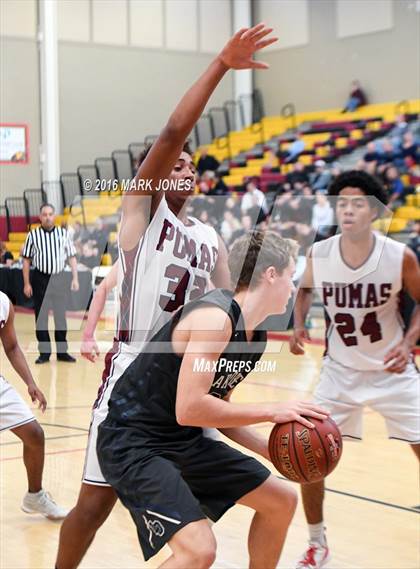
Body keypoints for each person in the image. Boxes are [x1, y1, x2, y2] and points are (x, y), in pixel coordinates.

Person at [56, 23, 277, 569]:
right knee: (94, 501)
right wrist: (222, 66)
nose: (182, 166)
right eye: (173, 162)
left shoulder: (209, 238)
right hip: (133, 373)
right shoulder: (140, 214)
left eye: (190, 167)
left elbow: (229, 308)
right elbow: (175, 131)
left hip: (183, 374)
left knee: (234, 501)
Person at [97, 231, 329, 568]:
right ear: (270, 274)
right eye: (290, 278)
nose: (293, 289)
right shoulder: (215, 318)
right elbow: (190, 408)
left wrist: (274, 452)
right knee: (199, 551)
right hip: (134, 442)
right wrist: (273, 410)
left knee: (281, 500)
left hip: (180, 440)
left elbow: (217, 412)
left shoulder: (254, 337)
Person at [289, 170, 420, 569]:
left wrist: (409, 341)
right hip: (339, 372)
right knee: (307, 454)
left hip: (392, 371)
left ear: (376, 210)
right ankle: (317, 543)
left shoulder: (401, 257)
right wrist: (297, 324)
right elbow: (305, 289)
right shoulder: (320, 253)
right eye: (342, 201)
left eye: (358, 202)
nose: (347, 208)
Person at [0, 290, 67, 519]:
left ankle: (35, 496)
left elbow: (11, 347)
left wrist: (31, 383)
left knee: (34, 434)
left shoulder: (3, 303)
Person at [22, 204, 79, 364]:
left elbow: (72, 257)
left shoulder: (63, 234)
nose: (47, 217)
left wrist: (75, 278)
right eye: (44, 214)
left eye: (50, 214)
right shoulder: (32, 235)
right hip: (40, 278)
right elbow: (26, 260)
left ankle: (62, 352)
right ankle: (44, 353)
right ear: (40, 217)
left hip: (59, 278)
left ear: (54, 216)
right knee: (41, 317)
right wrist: (27, 283)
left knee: (61, 316)